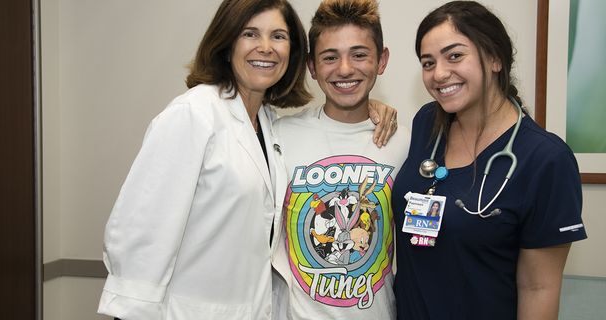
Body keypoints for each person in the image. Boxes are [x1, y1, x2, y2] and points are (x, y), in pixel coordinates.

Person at [97, 0, 397, 319]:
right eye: (251, 34)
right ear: (227, 44)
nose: (265, 47)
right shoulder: (193, 114)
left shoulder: (269, 126)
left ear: (292, 53)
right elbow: (141, 236)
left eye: (278, 36)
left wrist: (369, 109)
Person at [392, 1, 587, 319]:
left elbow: (538, 289)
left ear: (495, 57)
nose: (439, 73)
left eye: (454, 56)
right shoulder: (428, 123)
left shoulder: (546, 161)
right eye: (428, 63)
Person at [271, 0, 410, 318]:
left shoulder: (403, 142)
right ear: (312, 66)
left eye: (359, 54)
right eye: (330, 57)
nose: (345, 69)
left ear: (381, 60)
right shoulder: (280, 135)